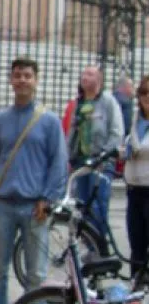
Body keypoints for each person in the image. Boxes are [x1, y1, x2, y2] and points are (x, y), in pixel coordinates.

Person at [0, 58, 67, 304]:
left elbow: (58, 164)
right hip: (3, 203)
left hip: (35, 205)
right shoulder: (0, 119)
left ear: (36, 80)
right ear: (11, 81)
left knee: (35, 270)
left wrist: (48, 198)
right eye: (17, 76)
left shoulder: (49, 121)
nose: (22, 80)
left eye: (27, 75)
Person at [65, 65, 124, 239]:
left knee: (98, 204)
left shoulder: (108, 101)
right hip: (80, 161)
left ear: (99, 79)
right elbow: (72, 132)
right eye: (83, 73)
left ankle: (99, 244)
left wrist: (105, 155)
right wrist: (68, 156)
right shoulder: (79, 102)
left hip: (100, 161)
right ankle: (88, 243)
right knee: (82, 205)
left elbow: (116, 131)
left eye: (89, 74)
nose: (84, 76)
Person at [122, 75, 149, 277]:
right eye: (144, 92)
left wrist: (140, 150)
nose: (147, 97)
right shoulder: (135, 121)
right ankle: (136, 295)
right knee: (136, 248)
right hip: (134, 191)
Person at [113, 75, 134, 179]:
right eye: (131, 86)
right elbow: (126, 124)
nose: (133, 90)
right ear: (125, 87)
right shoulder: (126, 102)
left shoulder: (112, 99)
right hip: (120, 138)